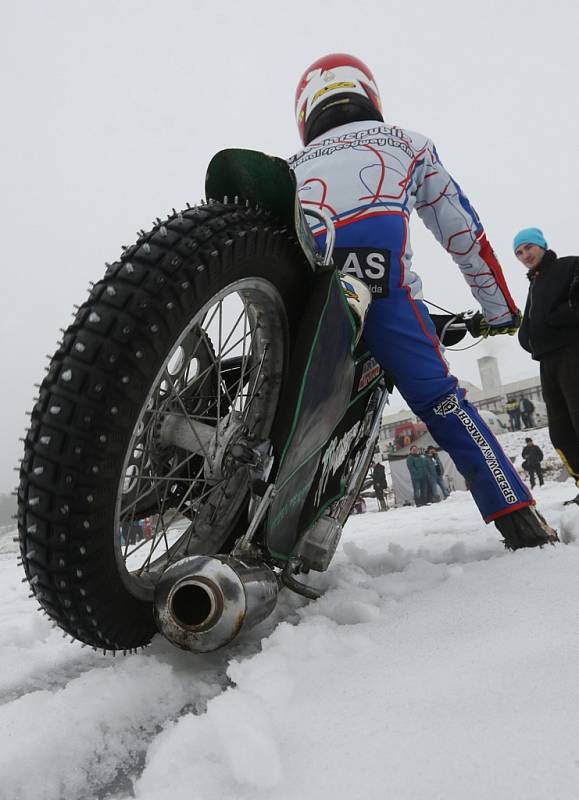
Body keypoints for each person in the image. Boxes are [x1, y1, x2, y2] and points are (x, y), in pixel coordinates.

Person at [289, 53, 558, 549]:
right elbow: (463, 234)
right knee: (440, 401)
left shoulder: (290, 165)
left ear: (306, 109)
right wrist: (498, 311)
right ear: (368, 93)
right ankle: (519, 521)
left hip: (302, 301)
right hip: (382, 291)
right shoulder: (407, 143)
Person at [514, 227, 579, 505]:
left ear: (541, 245)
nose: (525, 255)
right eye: (519, 252)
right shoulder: (535, 283)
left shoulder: (569, 265)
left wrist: (555, 319)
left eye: (529, 247)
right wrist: (525, 335)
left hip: (572, 353)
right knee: (561, 429)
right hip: (548, 361)